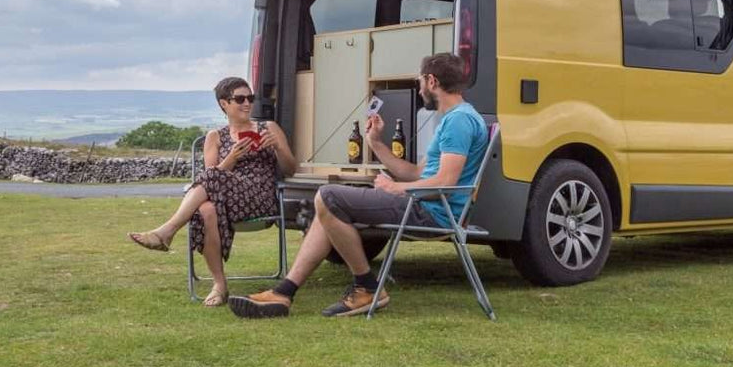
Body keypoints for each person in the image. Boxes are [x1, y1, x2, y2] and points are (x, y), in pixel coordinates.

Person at [229, 52, 488, 318]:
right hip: (423, 204)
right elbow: (414, 172)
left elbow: (445, 182)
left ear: (432, 81)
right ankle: (283, 293)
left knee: (328, 196)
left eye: (420, 80)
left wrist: (394, 189)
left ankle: (366, 286)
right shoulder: (453, 119)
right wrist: (376, 142)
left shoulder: (459, 120)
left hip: (433, 213)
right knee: (325, 207)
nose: (419, 87)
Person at [129, 77, 297, 307]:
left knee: (210, 179)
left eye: (250, 98)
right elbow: (212, 180)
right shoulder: (215, 137)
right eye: (239, 99)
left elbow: (290, 169)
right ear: (223, 104)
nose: (247, 103)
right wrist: (231, 158)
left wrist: (277, 147)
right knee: (205, 208)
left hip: (260, 197)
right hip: (225, 199)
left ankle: (167, 231)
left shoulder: (269, 128)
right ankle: (220, 285)